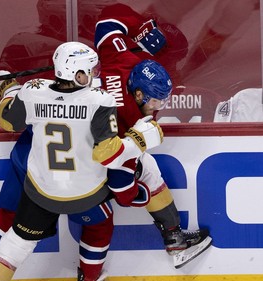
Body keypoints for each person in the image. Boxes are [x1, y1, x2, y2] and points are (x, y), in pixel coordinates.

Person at [0, 41, 163, 281]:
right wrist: (139, 139)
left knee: (13, 248)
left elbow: (8, 121)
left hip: (41, 194)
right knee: (99, 226)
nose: (97, 74)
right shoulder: (100, 100)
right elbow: (108, 154)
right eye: (92, 71)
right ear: (78, 74)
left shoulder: (33, 90)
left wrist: (8, 89)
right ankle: (89, 277)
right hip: (87, 195)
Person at [94, 3, 211, 267]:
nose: (159, 108)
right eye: (155, 102)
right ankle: (175, 241)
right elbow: (121, 188)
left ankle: (175, 240)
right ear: (138, 95)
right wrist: (142, 194)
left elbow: (109, 17)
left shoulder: (123, 60)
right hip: (88, 149)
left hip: (71, 112)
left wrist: (141, 26)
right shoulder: (132, 123)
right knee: (147, 168)